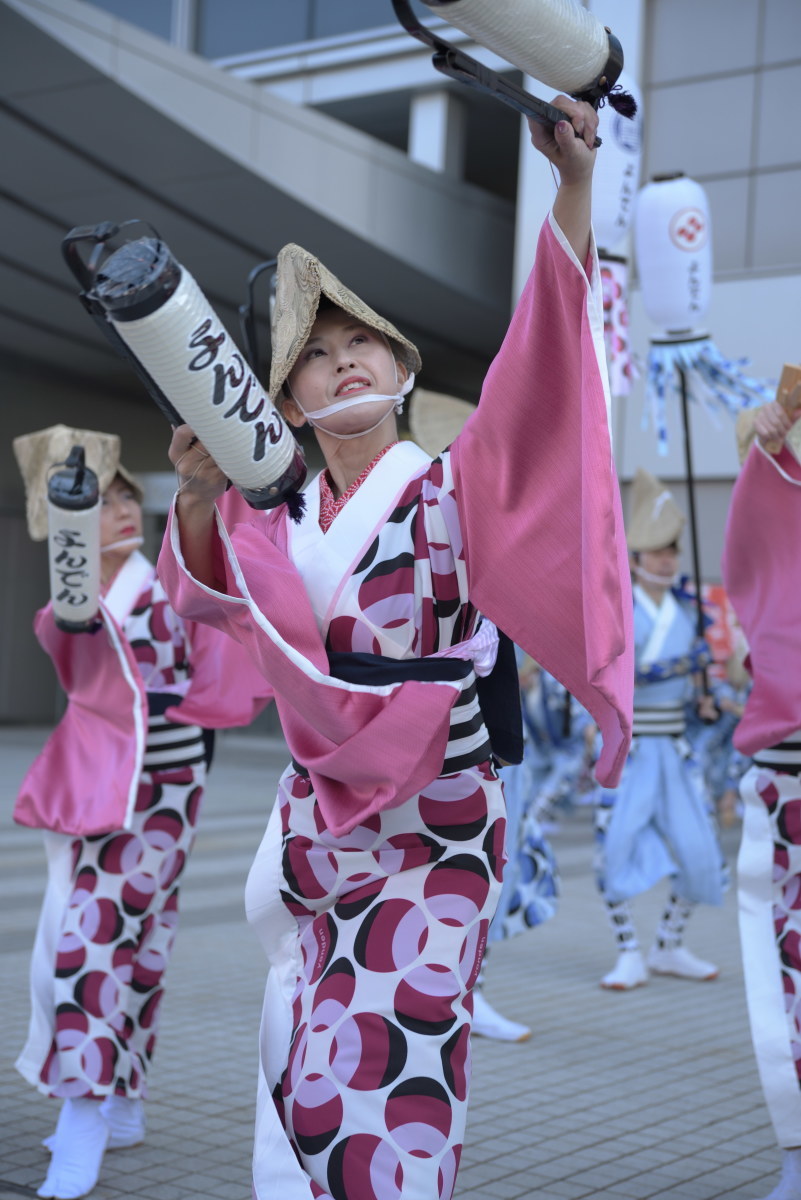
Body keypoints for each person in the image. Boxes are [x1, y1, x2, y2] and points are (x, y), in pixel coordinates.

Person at [159, 96, 633, 1200]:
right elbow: (217, 611)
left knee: (397, 1067)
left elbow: (544, 362)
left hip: (438, 822)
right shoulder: (269, 516)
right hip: (322, 825)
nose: (343, 364)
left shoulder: (460, 481)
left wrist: (571, 187)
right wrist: (195, 492)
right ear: (284, 401)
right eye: (315, 359)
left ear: (400, 358)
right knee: (311, 1048)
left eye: (359, 340)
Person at [12, 426, 268, 1200]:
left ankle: (95, 1109)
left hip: (165, 790)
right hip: (108, 789)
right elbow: (72, 633)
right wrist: (71, 565)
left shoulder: (167, 582)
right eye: (101, 500)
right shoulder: (74, 604)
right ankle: (111, 1103)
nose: (122, 508)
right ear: (59, 520)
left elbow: (219, 625)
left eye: (127, 495)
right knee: (114, 940)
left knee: (113, 941)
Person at [594, 468, 725, 991]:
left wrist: (706, 698)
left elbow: (700, 690)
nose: (666, 559)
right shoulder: (618, 610)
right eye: (656, 551)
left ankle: (669, 944)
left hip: (677, 747)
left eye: (672, 550)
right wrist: (672, 668)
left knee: (701, 852)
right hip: (630, 748)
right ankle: (629, 951)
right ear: (637, 557)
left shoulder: (689, 611)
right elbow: (608, 675)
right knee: (615, 851)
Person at [722, 392, 801, 1200]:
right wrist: (766, 447)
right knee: (787, 976)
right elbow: (758, 556)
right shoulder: (784, 518)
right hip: (787, 782)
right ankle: (796, 1147)